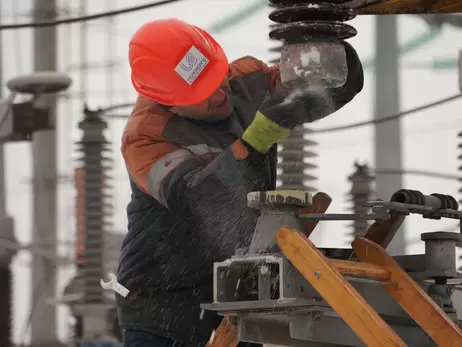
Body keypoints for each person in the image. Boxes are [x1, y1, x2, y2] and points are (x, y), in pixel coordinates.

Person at [116, 17, 364, 347]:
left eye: (217, 78)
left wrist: (329, 52)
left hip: (241, 287)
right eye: (201, 92)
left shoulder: (248, 81)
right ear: (167, 102)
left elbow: (323, 87)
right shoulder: (146, 139)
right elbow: (201, 200)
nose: (219, 94)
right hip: (165, 300)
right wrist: (255, 140)